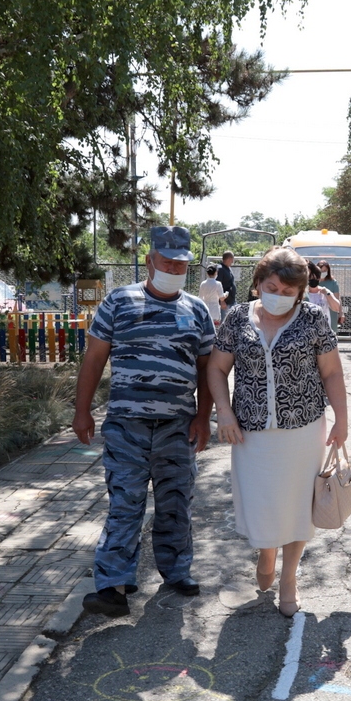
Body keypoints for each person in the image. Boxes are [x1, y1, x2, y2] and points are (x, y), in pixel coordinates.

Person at [72, 225, 214, 618]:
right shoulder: (119, 302)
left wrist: (204, 417)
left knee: (176, 504)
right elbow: (94, 359)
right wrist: (82, 410)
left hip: (178, 427)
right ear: (150, 261)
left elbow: (207, 369)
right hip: (126, 428)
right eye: (166, 261)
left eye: (180, 264)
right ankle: (113, 587)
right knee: (125, 504)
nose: (173, 268)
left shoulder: (197, 310)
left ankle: (176, 571)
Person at [208, 247, 348, 618]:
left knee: (299, 506)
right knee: (262, 504)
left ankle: (289, 578)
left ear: (300, 293)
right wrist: (224, 412)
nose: (279, 296)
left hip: (303, 429)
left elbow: (332, 372)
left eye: (288, 292)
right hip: (250, 432)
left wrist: (342, 420)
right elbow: (216, 369)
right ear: (258, 284)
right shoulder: (237, 317)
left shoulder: (313, 318)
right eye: (272, 288)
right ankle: (266, 552)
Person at [307, 263, 342, 330]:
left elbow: (336, 308)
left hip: (323, 330)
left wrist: (327, 294)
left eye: (316, 277)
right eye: (311, 278)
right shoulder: (303, 293)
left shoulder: (325, 292)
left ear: (319, 278)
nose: (313, 279)